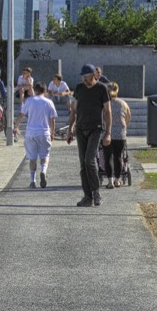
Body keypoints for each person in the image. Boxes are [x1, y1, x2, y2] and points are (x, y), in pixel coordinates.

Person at [66, 63, 111, 207]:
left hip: (96, 128)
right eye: (83, 77)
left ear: (94, 75)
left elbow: (108, 112)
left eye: (86, 76)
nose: (84, 79)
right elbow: (74, 109)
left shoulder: (102, 88)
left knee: (89, 160)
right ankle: (87, 196)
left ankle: (96, 193)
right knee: (82, 164)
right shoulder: (79, 88)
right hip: (80, 128)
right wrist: (70, 129)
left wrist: (108, 133)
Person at [20, 81, 56, 188]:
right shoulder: (49, 102)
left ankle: (32, 180)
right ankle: (43, 171)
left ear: (35, 91)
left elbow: (22, 114)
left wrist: (16, 126)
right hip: (44, 132)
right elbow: (52, 119)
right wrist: (52, 132)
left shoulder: (30, 100)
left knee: (32, 157)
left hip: (30, 133)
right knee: (45, 155)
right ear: (45, 91)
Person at [103, 82, 131, 188]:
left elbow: (102, 117)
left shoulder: (105, 103)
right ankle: (117, 180)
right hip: (120, 133)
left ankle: (110, 181)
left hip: (107, 133)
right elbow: (128, 116)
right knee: (118, 157)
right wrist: (123, 126)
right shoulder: (123, 103)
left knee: (107, 157)